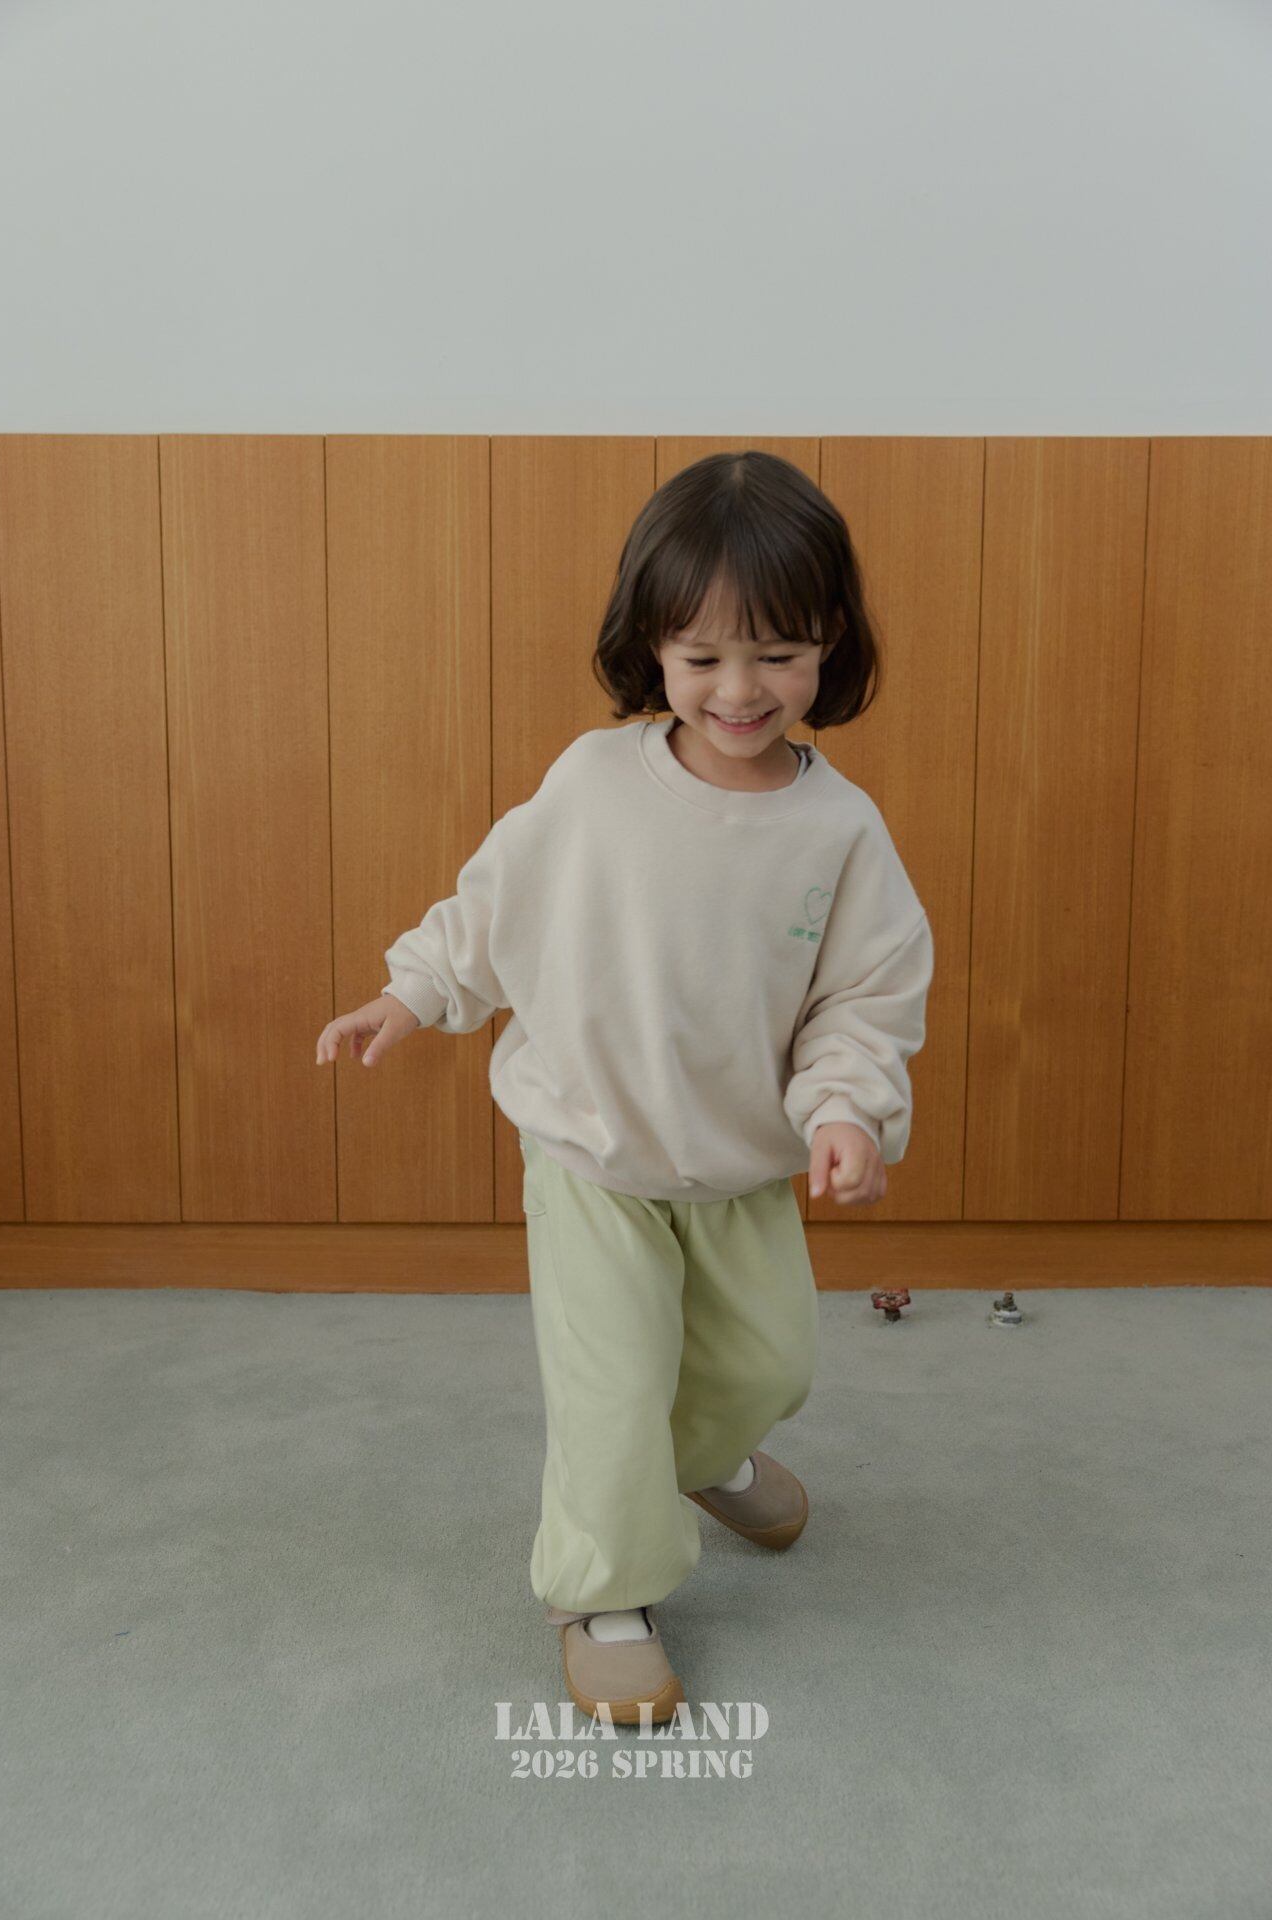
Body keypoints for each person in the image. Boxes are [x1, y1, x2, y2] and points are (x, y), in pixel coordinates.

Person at [315, 449, 935, 1722]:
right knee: (611, 1392)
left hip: (737, 1163)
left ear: (829, 644)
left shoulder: (840, 832)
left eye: (776, 653)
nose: (739, 689)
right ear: (650, 647)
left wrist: (842, 1110)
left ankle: (701, 1458)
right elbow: (493, 907)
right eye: (701, 656)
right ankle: (602, 1590)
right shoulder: (594, 784)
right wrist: (409, 991)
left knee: (770, 1364)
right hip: (591, 1151)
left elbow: (863, 1000)